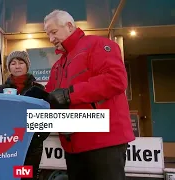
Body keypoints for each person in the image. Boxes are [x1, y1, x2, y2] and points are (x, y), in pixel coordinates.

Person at [43, 10, 135, 180]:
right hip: (73, 147)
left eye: (54, 32)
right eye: (48, 34)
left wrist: (69, 94)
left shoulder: (97, 45)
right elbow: (51, 97)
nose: (51, 39)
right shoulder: (57, 66)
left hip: (104, 143)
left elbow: (115, 80)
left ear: (69, 26)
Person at [0, 51, 50, 179]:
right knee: (8, 176)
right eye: (13, 63)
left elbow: (47, 117)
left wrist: (36, 138)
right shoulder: (1, 89)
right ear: (9, 67)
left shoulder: (38, 89)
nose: (17, 66)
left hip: (31, 146)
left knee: (26, 176)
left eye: (21, 62)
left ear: (27, 66)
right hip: (7, 145)